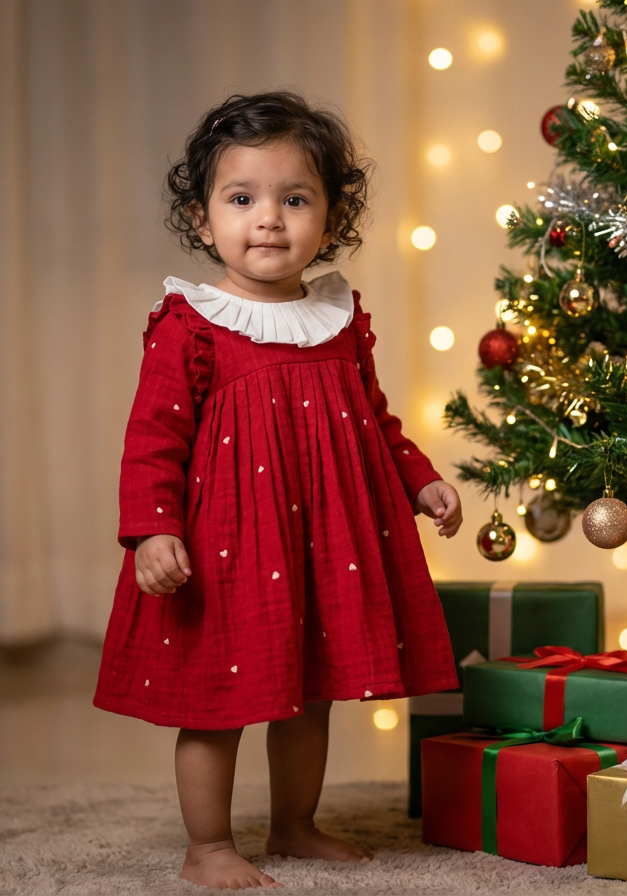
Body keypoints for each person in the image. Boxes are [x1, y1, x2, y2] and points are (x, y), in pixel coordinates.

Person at [93, 90, 462, 890]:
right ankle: (209, 846)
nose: (269, 219)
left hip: (322, 542)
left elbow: (375, 419)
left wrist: (420, 480)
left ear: (329, 219)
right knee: (216, 702)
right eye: (242, 199)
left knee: (311, 696)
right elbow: (153, 440)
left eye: (295, 199)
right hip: (225, 550)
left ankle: (296, 825)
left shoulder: (337, 317)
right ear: (202, 219)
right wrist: (154, 531)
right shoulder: (191, 323)